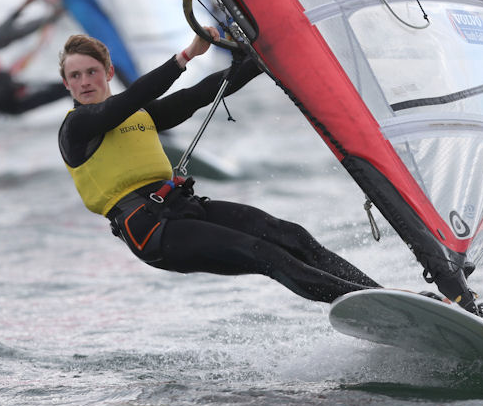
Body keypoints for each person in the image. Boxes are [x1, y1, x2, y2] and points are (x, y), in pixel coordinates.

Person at [57, 28, 381, 304]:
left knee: (292, 236)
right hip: (152, 232)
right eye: (75, 75)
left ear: (108, 73)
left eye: (92, 72)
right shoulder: (77, 128)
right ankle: (370, 306)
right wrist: (186, 56)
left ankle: (385, 296)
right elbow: (128, 100)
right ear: (65, 83)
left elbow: (200, 94)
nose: (85, 81)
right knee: (266, 254)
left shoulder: (141, 116)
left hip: (182, 209)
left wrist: (264, 53)